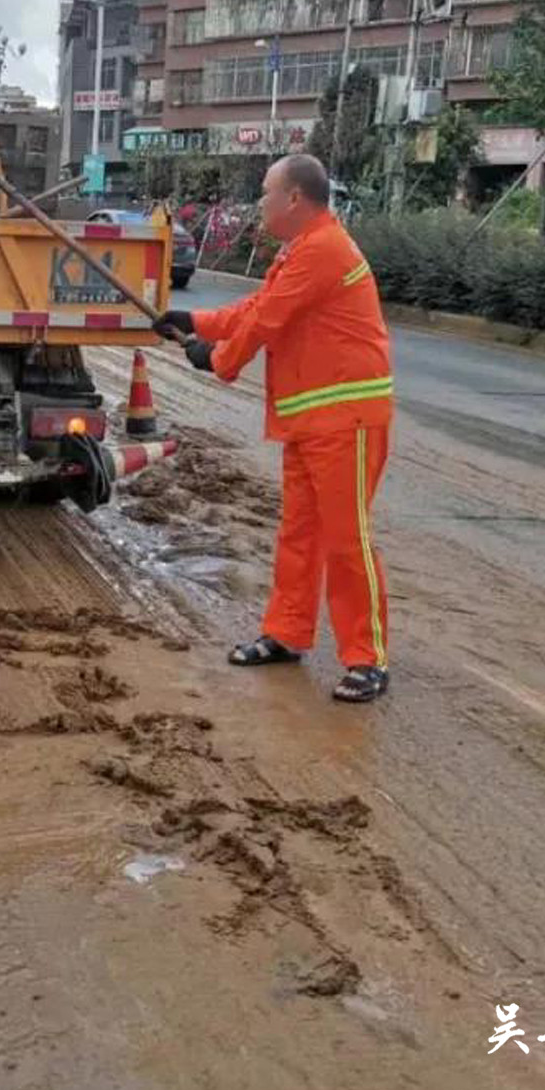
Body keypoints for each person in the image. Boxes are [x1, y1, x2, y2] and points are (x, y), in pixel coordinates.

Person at [155, 153, 393, 704]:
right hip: (313, 422)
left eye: (266, 192)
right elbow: (260, 306)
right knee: (300, 535)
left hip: (346, 422)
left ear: (294, 199)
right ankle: (287, 633)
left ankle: (368, 658)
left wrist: (214, 358)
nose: (260, 202)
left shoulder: (325, 250)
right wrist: (196, 322)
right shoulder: (302, 251)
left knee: (345, 541)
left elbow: (266, 322)